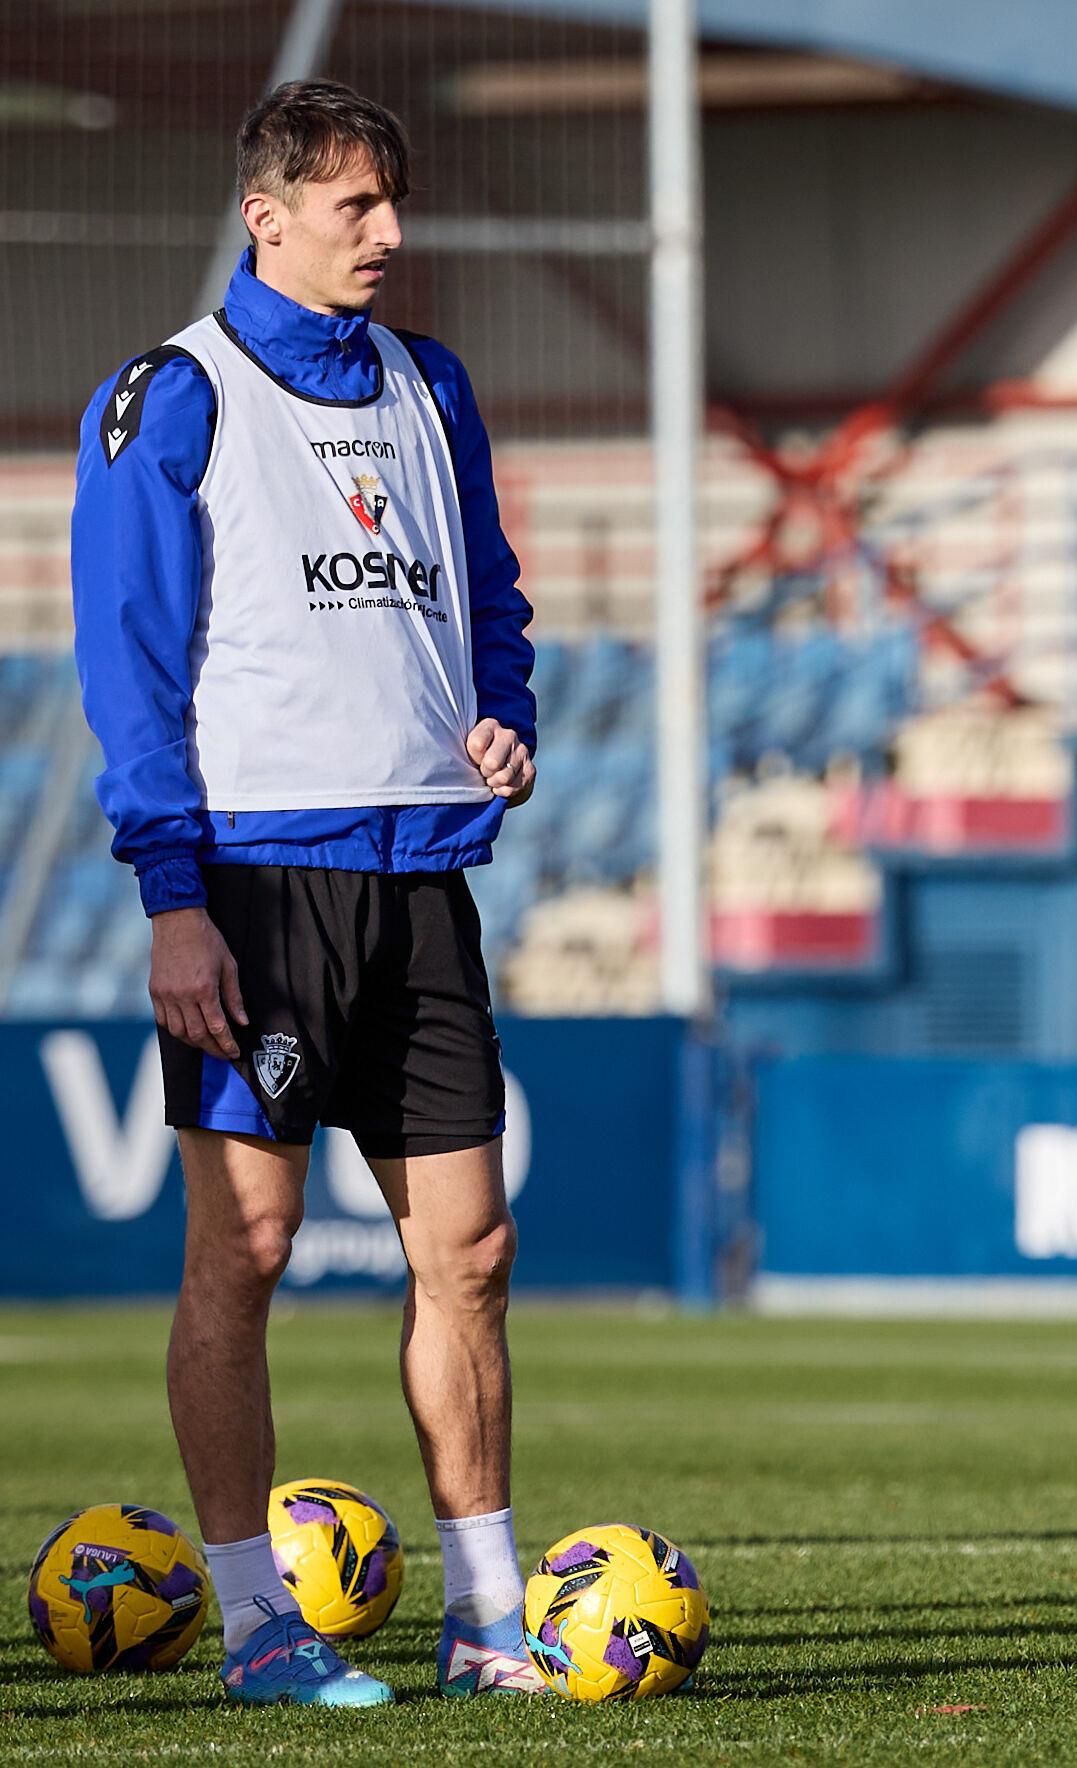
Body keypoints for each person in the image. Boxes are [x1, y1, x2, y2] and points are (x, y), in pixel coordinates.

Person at [70, 80, 545, 1704]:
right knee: (249, 1250)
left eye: (392, 203)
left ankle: (489, 1619)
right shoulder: (171, 398)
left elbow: (491, 595)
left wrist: (509, 712)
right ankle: (259, 1624)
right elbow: (128, 664)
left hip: (423, 879)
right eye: (357, 208)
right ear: (266, 215)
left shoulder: (436, 385)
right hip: (258, 888)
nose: (392, 235)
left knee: (469, 1254)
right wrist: (171, 896)